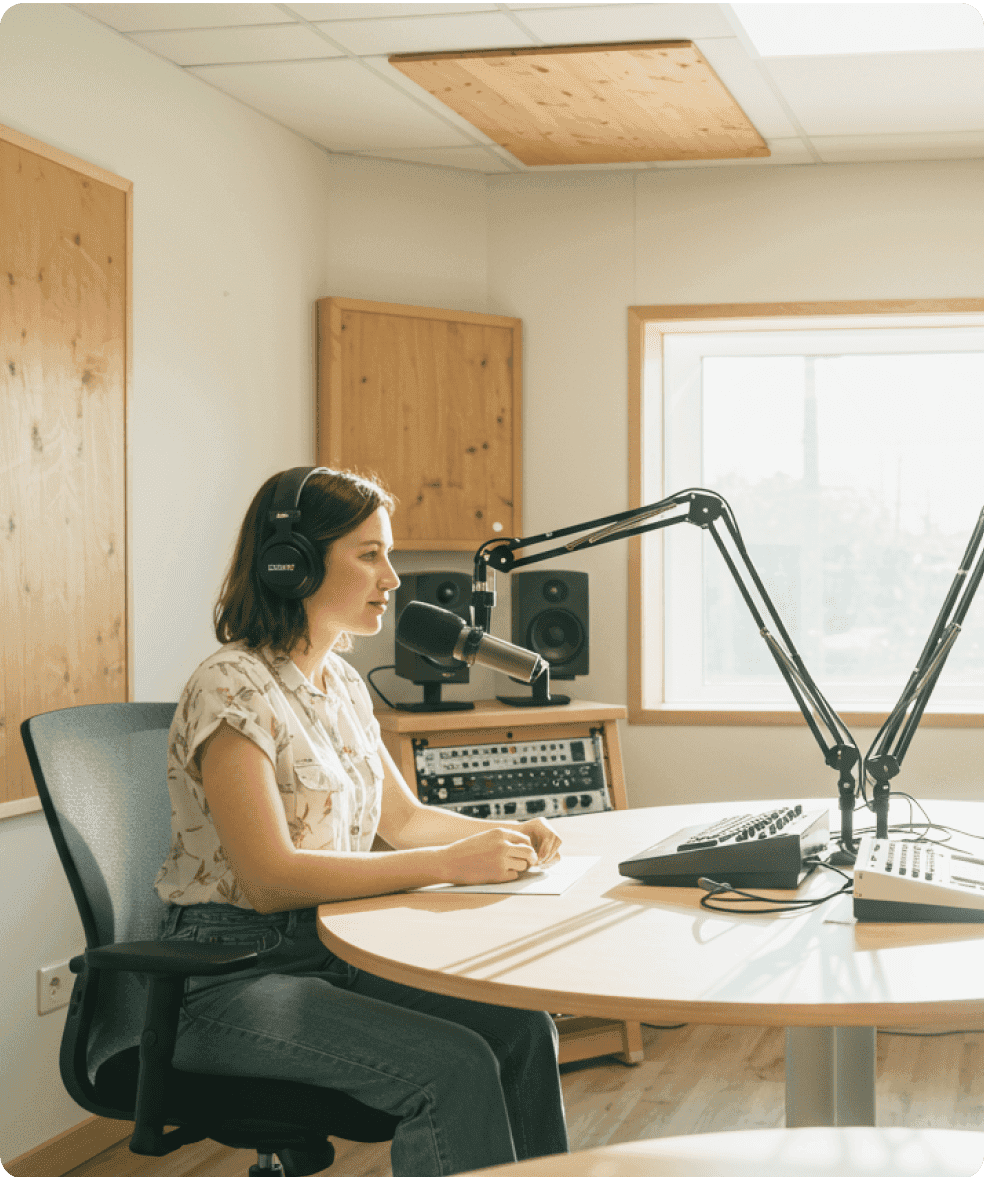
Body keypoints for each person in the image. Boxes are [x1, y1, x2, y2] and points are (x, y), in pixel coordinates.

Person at [155, 465, 570, 1177]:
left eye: (390, 554)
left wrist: (502, 837)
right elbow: (270, 879)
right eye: (370, 553)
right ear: (294, 562)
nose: (394, 577)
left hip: (329, 955)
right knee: (452, 1067)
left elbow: (403, 821)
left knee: (521, 1027)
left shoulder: (342, 685)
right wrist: (450, 864)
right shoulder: (228, 684)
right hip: (226, 979)